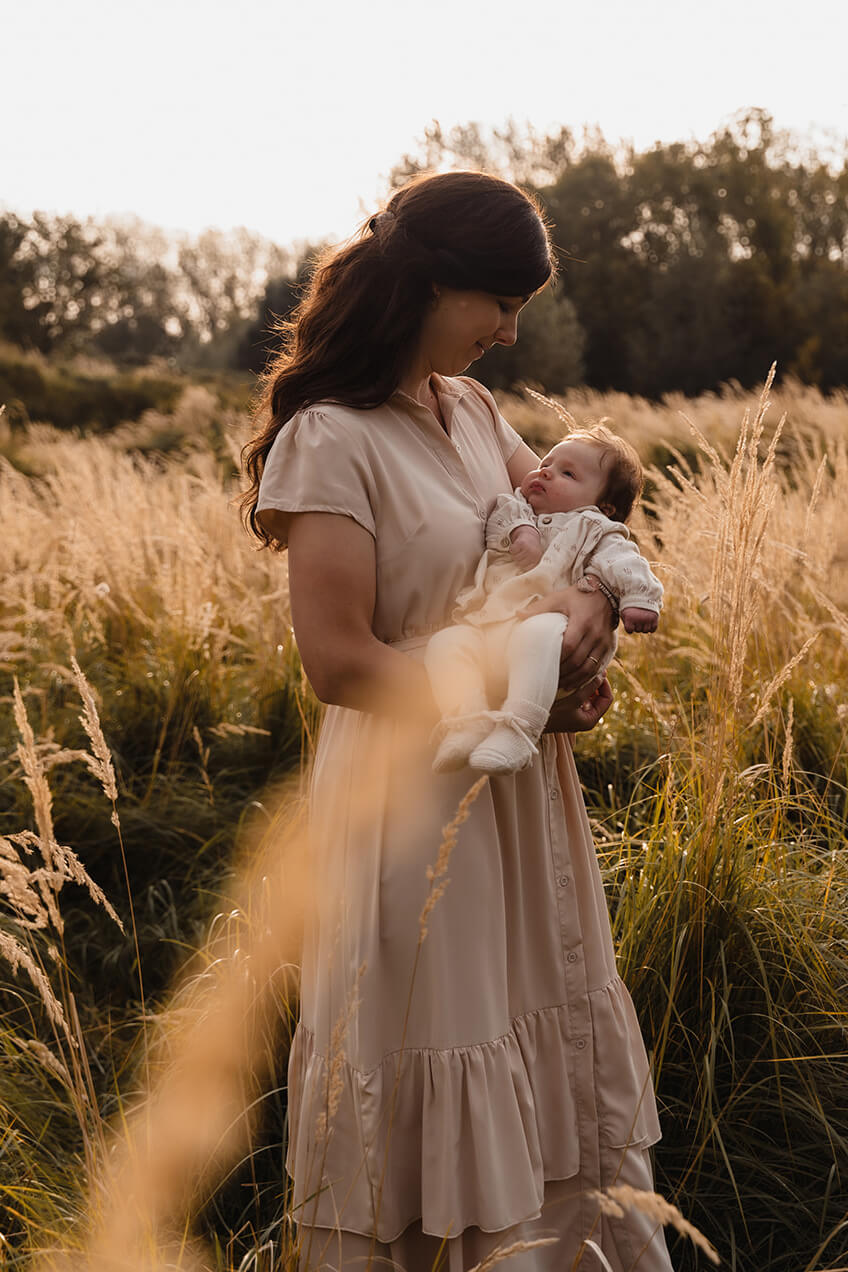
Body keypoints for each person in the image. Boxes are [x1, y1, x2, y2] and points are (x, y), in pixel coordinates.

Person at [241, 170, 673, 1271]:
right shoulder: (329, 438)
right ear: (429, 282)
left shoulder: (473, 410)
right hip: (409, 798)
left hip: (521, 794)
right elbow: (338, 663)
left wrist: (580, 632)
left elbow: (574, 540)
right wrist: (491, 675)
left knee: (538, 1040)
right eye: (498, 302)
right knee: (438, 1041)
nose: (509, 331)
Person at [425, 426, 663, 776]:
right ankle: (466, 720)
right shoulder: (518, 509)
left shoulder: (595, 529)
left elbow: (625, 563)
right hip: (489, 626)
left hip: (553, 639)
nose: (546, 471)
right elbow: (497, 521)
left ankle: (519, 728)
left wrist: (639, 601)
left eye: (568, 473)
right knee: (446, 644)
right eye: (547, 462)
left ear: (604, 506)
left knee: (536, 633)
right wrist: (524, 530)